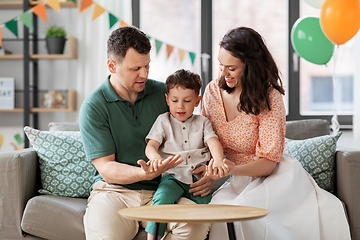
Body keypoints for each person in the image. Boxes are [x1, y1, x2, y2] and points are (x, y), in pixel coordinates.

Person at [202, 26, 351, 240]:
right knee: (218, 213)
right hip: (238, 180)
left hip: (273, 176)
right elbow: (205, 140)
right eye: (220, 65)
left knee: (244, 213)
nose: (223, 73)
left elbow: (269, 163)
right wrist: (208, 173)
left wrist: (233, 169)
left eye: (231, 68)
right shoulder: (212, 92)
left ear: (249, 66)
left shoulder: (270, 98)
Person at [79, 26, 212, 240]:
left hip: (165, 189)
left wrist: (207, 174)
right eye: (135, 69)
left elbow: (198, 132)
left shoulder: (165, 95)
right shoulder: (94, 106)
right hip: (115, 193)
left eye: (147, 66)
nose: (144, 74)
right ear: (112, 66)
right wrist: (144, 173)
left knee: (196, 226)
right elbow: (106, 168)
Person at [144, 69, 227, 240]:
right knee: (162, 198)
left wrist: (218, 160)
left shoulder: (203, 122)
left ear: (197, 101)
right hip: (172, 176)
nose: (180, 106)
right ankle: (153, 238)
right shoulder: (163, 121)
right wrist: (156, 159)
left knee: (208, 209)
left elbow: (213, 142)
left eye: (187, 101)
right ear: (167, 99)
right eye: (175, 100)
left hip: (198, 179)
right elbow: (151, 146)